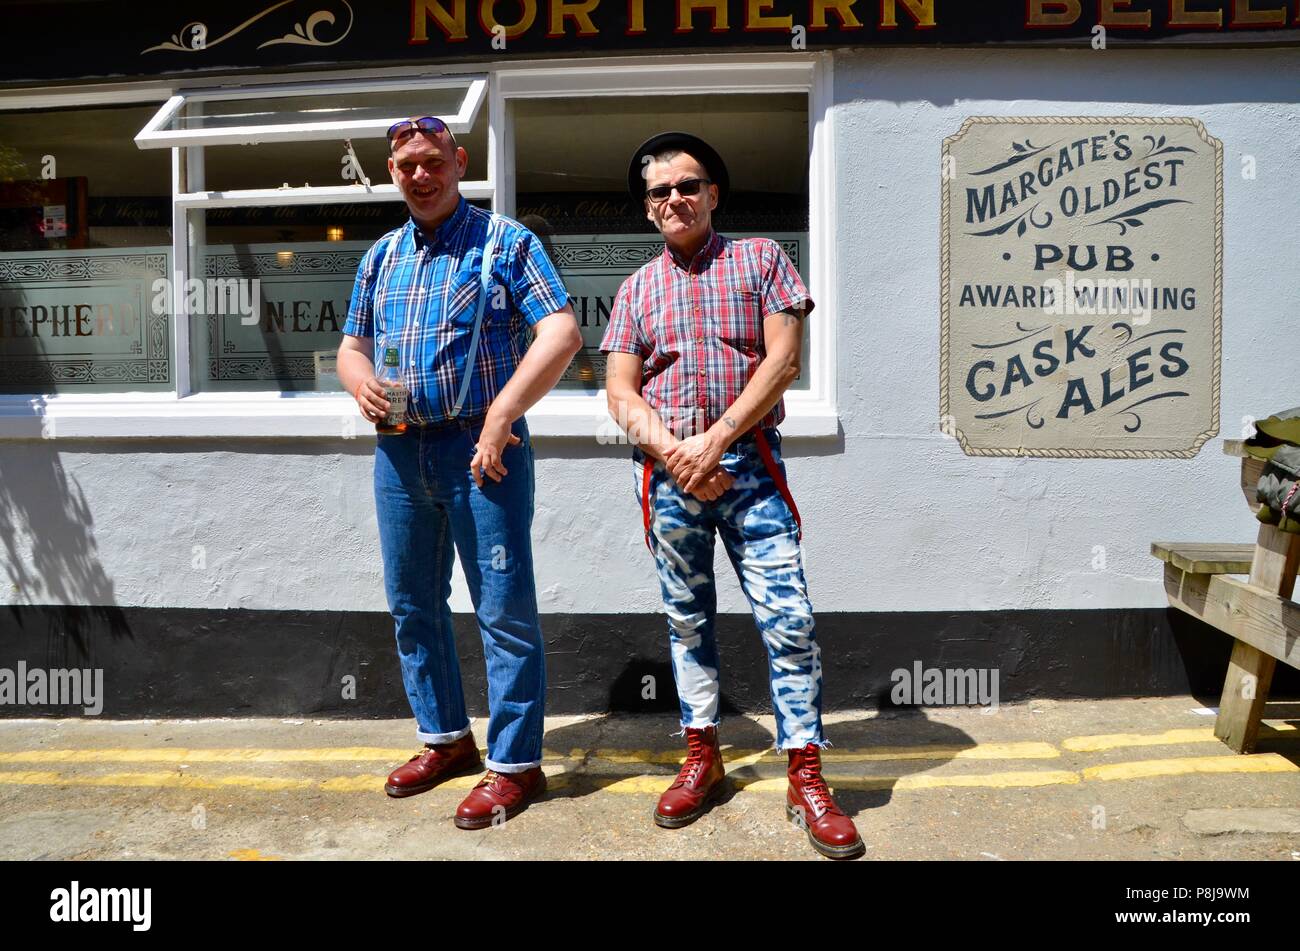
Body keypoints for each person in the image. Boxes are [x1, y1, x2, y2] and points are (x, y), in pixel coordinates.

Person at [600, 131, 864, 859]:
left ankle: (806, 774)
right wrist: (679, 454)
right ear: (648, 209)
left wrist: (713, 441)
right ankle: (702, 756)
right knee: (687, 622)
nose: (675, 199)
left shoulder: (761, 260)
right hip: (667, 471)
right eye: (660, 191)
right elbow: (619, 391)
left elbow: (783, 361)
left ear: (714, 193)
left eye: (689, 185)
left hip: (749, 465)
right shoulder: (635, 290)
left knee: (790, 618)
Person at [337, 115, 581, 829]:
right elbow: (353, 345)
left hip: (483, 451)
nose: (421, 174)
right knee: (413, 601)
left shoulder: (507, 242)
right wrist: (359, 383)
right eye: (407, 163)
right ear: (392, 172)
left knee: (502, 608)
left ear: (458, 161)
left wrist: (504, 413)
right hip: (399, 448)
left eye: (433, 161)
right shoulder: (382, 254)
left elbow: (561, 331)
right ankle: (445, 737)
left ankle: (515, 764)